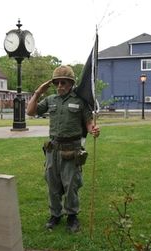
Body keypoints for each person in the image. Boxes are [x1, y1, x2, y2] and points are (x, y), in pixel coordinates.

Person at [27, 65, 100, 233]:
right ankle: (55, 215)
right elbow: (30, 111)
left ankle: (72, 216)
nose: (60, 86)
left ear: (71, 83)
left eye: (64, 83)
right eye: (57, 83)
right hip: (53, 150)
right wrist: (38, 92)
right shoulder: (51, 100)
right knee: (52, 184)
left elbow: (89, 123)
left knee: (71, 185)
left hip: (72, 150)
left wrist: (93, 129)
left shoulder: (80, 101)